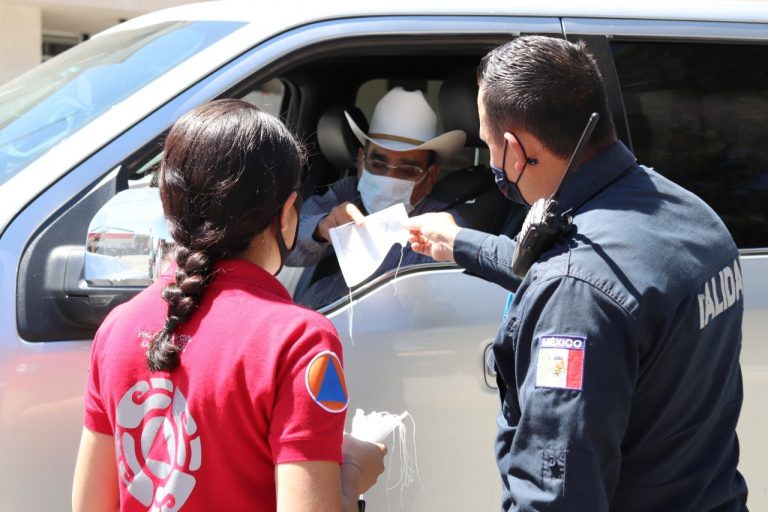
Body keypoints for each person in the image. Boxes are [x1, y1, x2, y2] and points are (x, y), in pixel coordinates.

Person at [407, 36, 748, 511]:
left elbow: (556, 494)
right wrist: (462, 244)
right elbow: (598, 274)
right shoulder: (692, 217)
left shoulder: (577, 293)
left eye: (488, 146)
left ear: (515, 148)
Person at [72, 99, 386, 511]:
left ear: (169, 209)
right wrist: (351, 474)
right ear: (288, 214)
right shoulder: (299, 341)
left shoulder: (117, 328)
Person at [287, 86, 466, 308]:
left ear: (431, 177)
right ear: (361, 162)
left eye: (407, 170)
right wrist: (322, 229)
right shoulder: (348, 193)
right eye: (378, 164)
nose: (389, 178)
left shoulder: (440, 228)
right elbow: (287, 245)